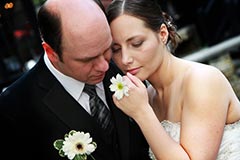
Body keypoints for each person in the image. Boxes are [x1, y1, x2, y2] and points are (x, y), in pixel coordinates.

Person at [0, 0, 151, 159]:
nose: (104, 66)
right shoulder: (13, 108)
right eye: (87, 60)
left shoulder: (126, 65)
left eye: (107, 48)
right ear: (51, 52)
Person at [106, 0, 240, 159]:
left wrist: (142, 113)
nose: (125, 58)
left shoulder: (202, 80)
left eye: (136, 43)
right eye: (116, 49)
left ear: (162, 34)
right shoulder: (146, 96)